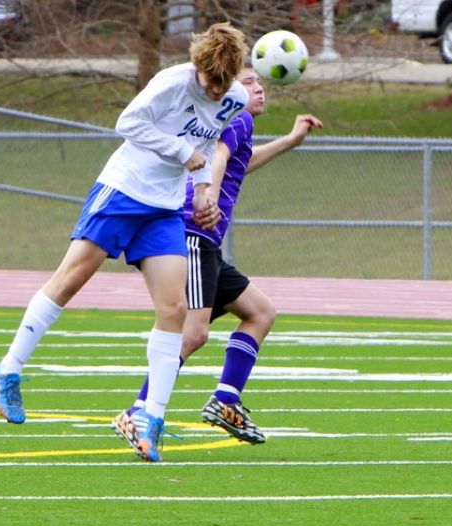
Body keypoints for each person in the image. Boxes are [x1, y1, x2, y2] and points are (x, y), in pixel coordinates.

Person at [0, 22, 250, 463]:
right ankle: (9, 369)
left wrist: (203, 189)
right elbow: (127, 122)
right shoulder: (172, 82)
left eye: (223, 84)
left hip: (165, 208)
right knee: (70, 280)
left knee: (176, 309)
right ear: (198, 66)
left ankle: (151, 419)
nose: (215, 91)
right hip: (123, 191)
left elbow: (205, 146)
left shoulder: (234, 97)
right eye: (211, 81)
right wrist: (180, 152)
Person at [112, 63, 323, 448]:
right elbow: (219, 159)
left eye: (259, 81)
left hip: (203, 241)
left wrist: (290, 141)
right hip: (195, 235)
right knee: (193, 333)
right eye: (248, 82)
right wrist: (206, 194)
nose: (258, 88)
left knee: (260, 312)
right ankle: (139, 411)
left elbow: (240, 162)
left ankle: (226, 400)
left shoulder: (232, 122)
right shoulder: (239, 117)